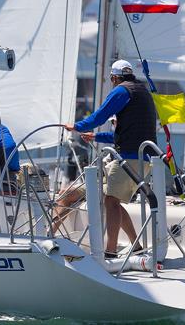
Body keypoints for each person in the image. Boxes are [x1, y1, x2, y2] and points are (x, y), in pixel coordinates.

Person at [65, 59, 157, 258]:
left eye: (111, 79)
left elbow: (99, 116)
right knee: (112, 201)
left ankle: (110, 251)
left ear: (115, 77)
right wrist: (97, 137)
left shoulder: (122, 91)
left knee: (111, 201)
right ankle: (136, 245)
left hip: (129, 157)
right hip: (144, 157)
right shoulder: (141, 90)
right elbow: (126, 133)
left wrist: (77, 126)